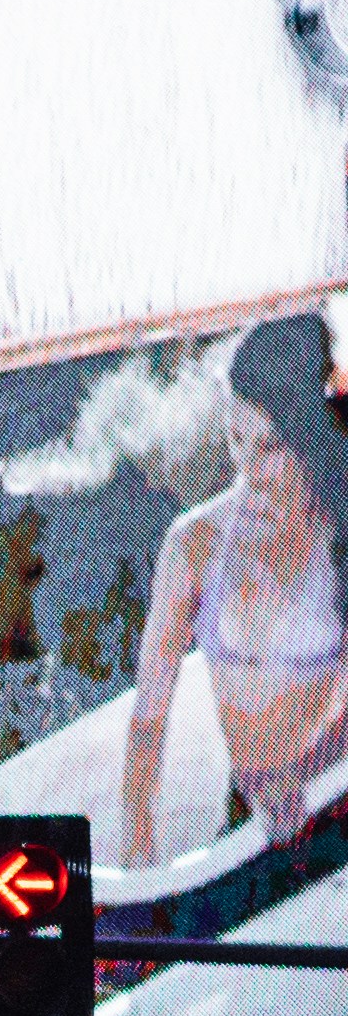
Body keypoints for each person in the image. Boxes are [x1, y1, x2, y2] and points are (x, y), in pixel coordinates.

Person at [125, 314, 348, 872]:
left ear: (309, 437)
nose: (248, 469)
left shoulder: (339, 534)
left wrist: (306, 774)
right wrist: (137, 857)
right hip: (250, 819)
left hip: (336, 805)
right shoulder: (196, 543)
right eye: (236, 439)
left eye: (269, 447)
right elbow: (148, 719)